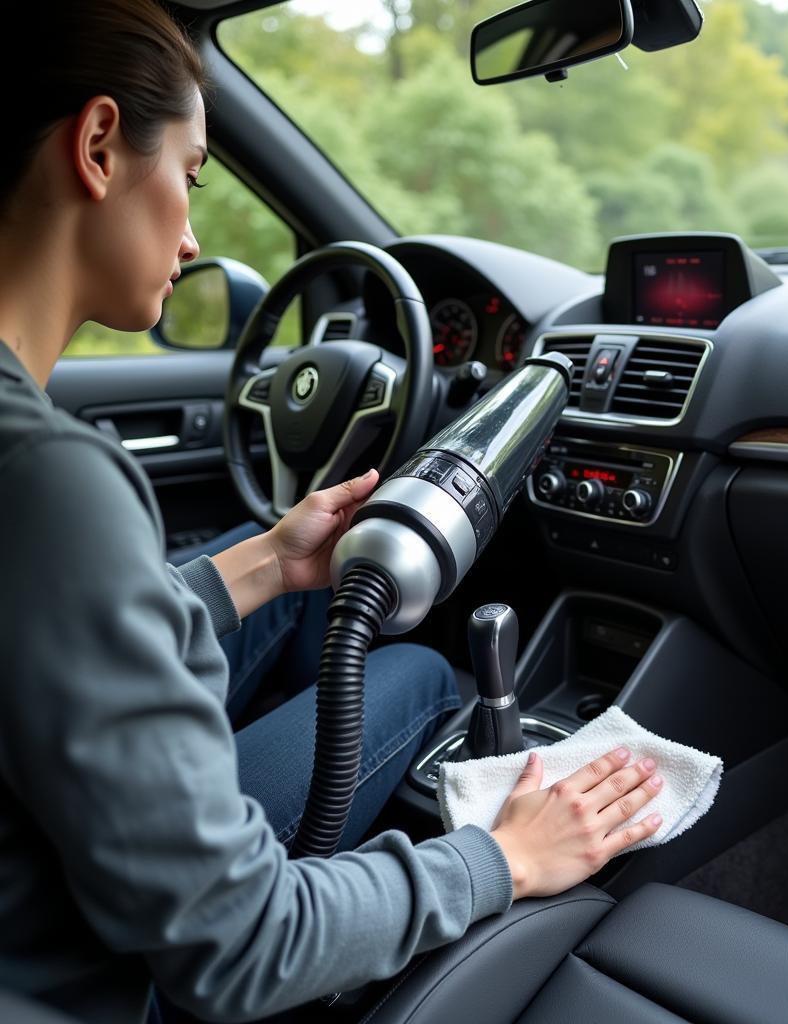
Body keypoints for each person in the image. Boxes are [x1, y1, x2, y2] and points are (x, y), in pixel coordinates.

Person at [0, 3, 665, 1022]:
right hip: (86, 970)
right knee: (410, 669)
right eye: (190, 176)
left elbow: (53, 622)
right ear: (97, 147)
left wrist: (268, 561)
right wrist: (501, 856)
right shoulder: (51, 478)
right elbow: (241, 944)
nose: (188, 234)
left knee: (312, 598)